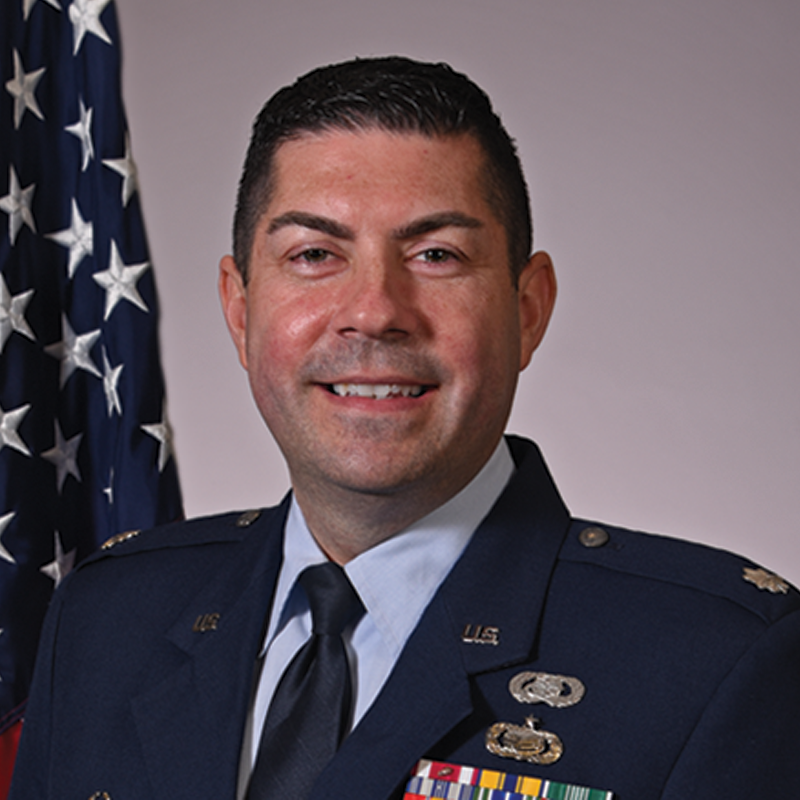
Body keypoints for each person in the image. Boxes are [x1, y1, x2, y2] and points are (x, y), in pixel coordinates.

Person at [10, 56, 800, 800]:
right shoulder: (106, 619)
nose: (374, 311)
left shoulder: (718, 660)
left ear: (528, 309)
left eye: (435, 254)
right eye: (315, 253)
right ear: (241, 308)